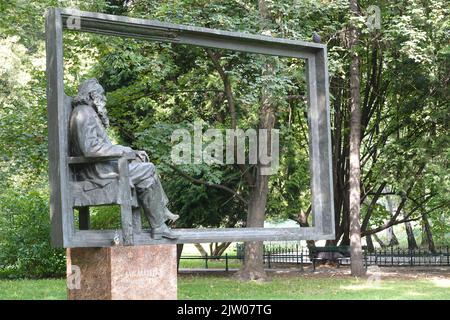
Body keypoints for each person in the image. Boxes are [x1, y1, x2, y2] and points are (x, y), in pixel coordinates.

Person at [69, 78, 178, 240]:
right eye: (102, 95)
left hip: (102, 167)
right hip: (96, 172)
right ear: (92, 95)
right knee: (148, 169)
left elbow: (99, 147)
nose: (104, 99)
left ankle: (160, 224)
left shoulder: (88, 112)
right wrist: (124, 150)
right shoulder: (83, 113)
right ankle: (160, 221)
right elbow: (90, 149)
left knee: (143, 166)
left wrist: (133, 152)